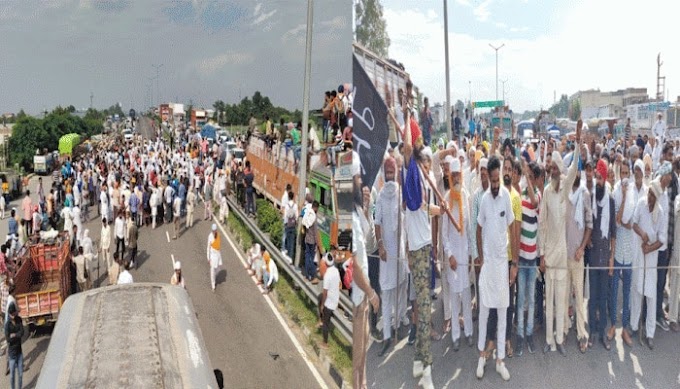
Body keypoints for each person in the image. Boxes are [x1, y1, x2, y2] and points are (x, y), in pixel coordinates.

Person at [475, 156, 512, 381]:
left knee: (502, 313)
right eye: (494, 180)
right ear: (488, 178)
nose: (497, 184)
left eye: (498, 180)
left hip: (502, 264)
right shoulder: (484, 200)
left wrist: (514, 262)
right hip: (488, 264)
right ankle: (481, 356)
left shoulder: (506, 196)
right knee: (485, 312)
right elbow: (478, 229)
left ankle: (499, 361)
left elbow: (512, 227)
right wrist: (480, 257)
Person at [374, 157, 409, 356]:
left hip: (400, 254)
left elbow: (404, 220)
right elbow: (377, 223)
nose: (389, 177)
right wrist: (380, 246)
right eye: (386, 173)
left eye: (391, 173)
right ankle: (387, 335)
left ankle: (400, 321)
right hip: (387, 256)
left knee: (401, 288)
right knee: (387, 294)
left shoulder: (400, 193)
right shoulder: (380, 196)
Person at [442, 157, 474, 351]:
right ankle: (455, 335)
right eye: (452, 175)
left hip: (465, 256)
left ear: (461, 175)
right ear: (449, 176)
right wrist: (449, 255)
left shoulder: (466, 196)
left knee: (466, 295)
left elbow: (469, 230)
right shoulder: (446, 199)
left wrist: (470, 253)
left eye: (458, 175)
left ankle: (469, 332)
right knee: (454, 296)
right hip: (453, 258)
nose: (455, 179)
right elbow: (444, 233)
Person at [631, 179, 666, 350]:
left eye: (653, 195)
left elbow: (662, 240)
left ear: (657, 197)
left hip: (651, 258)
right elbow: (634, 223)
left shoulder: (660, 212)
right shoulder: (641, 203)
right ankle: (634, 326)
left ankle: (650, 333)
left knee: (650, 296)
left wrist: (650, 248)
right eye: (649, 193)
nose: (649, 196)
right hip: (639, 253)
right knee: (637, 290)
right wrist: (643, 234)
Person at [587, 159, 617, 350]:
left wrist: (612, 258)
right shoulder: (590, 196)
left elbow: (613, 231)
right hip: (592, 254)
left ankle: (603, 332)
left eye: (600, 177)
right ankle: (591, 331)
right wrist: (586, 240)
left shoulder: (611, 201)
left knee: (603, 297)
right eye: (596, 177)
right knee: (593, 295)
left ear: (604, 178)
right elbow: (585, 222)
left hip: (605, 256)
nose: (597, 180)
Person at [319, 253, 340, 349]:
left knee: (325, 323)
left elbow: (325, 292)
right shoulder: (336, 271)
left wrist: (323, 305)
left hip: (329, 303)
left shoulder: (327, 275)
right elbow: (339, 284)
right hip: (336, 299)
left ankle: (325, 343)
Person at [4, 303, 22, 389]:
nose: (13, 315)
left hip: (19, 353)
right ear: (9, 314)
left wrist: (14, 335)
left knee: (20, 375)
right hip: (12, 355)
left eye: (13, 313)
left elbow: (22, 332)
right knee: (12, 377)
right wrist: (17, 336)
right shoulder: (7, 325)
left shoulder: (19, 320)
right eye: (11, 314)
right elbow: (8, 339)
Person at [304, 201, 320, 284]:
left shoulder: (308, 214)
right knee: (313, 259)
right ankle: (312, 276)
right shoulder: (314, 217)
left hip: (307, 239)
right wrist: (317, 244)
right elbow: (315, 232)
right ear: (316, 208)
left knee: (307, 257)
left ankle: (306, 276)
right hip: (312, 241)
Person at [207, 224, 223, 291]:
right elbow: (208, 247)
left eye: (215, 230)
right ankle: (213, 284)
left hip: (218, 254)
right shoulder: (210, 236)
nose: (214, 231)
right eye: (213, 230)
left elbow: (219, 246)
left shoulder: (218, 235)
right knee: (212, 270)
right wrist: (208, 257)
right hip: (212, 255)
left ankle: (214, 276)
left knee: (218, 269)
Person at [283, 191, 298, 261]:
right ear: (293, 197)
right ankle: (290, 258)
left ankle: (286, 256)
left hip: (287, 225)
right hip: (293, 225)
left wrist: (285, 223)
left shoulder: (286, 206)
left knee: (287, 240)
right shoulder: (295, 205)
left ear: (288, 197)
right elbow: (297, 216)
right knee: (292, 242)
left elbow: (285, 216)